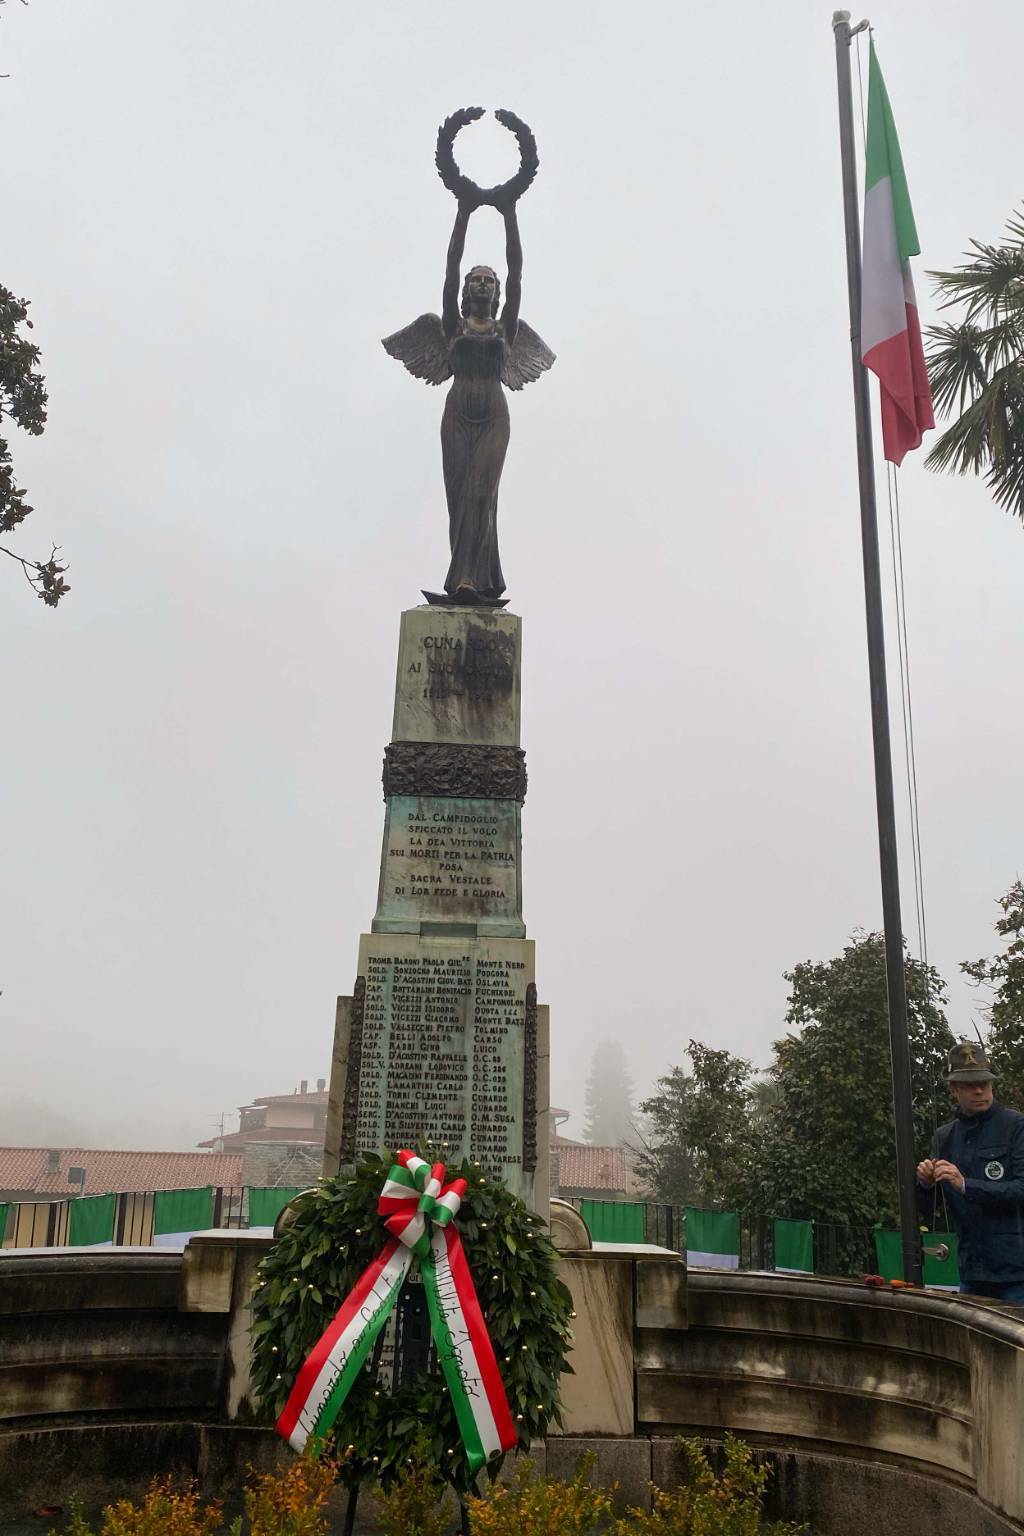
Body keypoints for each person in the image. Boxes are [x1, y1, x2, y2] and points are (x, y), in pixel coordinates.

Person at [917, 1040, 1024, 1302]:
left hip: (1016, 1274)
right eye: (969, 1085)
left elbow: (1021, 1190)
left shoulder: (1015, 1126)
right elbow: (929, 1209)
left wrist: (965, 1184)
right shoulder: (944, 1137)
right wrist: (926, 1183)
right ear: (953, 1088)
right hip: (971, 1272)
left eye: (984, 1083)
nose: (979, 1091)